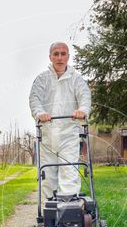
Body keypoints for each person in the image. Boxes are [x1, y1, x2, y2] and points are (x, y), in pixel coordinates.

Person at [29, 42, 91, 200]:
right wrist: (40, 113)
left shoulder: (76, 79)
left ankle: (68, 214)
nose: (59, 57)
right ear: (50, 57)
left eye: (63, 54)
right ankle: (49, 214)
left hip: (69, 135)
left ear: (68, 57)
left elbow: (85, 97)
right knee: (47, 175)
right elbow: (35, 99)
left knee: (69, 173)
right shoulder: (42, 79)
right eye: (56, 54)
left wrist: (82, 111)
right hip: (47, 136)